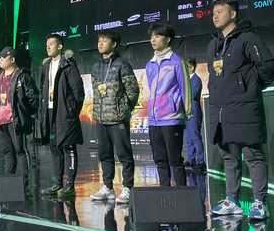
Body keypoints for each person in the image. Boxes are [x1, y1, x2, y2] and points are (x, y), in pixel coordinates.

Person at [208, 0, 274, 220]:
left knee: (253, 156)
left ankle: (260, 202)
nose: (215, 16)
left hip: (245, 108)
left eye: (220, 11)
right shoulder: (214, 44)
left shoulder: (249, 38)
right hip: (221, 110)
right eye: (214, 12)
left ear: (233, 14)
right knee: (229, 157)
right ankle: (232, 201)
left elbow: (268, 69)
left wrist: (248, 89)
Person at [89, 29, 140, 203]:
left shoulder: (122, 65)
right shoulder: (95, 67)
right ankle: (108, 188)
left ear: (114, 44)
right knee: (104, 155)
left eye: (104, 40)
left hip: (118, 119)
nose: (100, 43)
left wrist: (124, 109)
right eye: (99, 40)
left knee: (124, 155)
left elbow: (133, 91)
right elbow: (96, 93)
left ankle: (128, 188)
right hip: (101, 119)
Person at [146, 23, 192, 187]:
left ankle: (181, 193)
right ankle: (164, 191)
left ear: (168, 39)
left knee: (175, 159)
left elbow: (186, 89)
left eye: (157, 36)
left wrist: (186, 114)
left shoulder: (178, 62)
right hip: (154, 120)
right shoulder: (150, 64)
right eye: (151, 36)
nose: (153, 39)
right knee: (159, 159)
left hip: (172, 118)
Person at [39, 34, 85, 197]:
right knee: (55, 148)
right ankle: (57, 183)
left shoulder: (68, 66)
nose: (48, 46)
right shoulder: (45, 66)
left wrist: (71, 111)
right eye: (47, 44)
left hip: (65, 113)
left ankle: (70, 185)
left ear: (60, 46)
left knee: (69, 148)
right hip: (49, 112)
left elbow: (79, 92)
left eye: (51, 44)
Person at [0, 47, 39, 187]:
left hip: (16, 120)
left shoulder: (22, 76)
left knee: (20, 150)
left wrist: (24, 113)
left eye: (3, 57)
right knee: (7, 151)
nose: (0, 59)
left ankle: (23, 182)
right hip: (1, 120)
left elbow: (33, 98)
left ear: (12, 59)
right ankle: (9, 180)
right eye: (0, 57)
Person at [183, 57, 206, 171]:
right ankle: (191, 159)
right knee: (189, 138)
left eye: (185, 67)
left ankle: (200, 161)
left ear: (191, 68)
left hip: (194, 113)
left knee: (195, 137)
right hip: (186, 113)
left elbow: (192, 94)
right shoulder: (185, 80)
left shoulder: (196, 80)